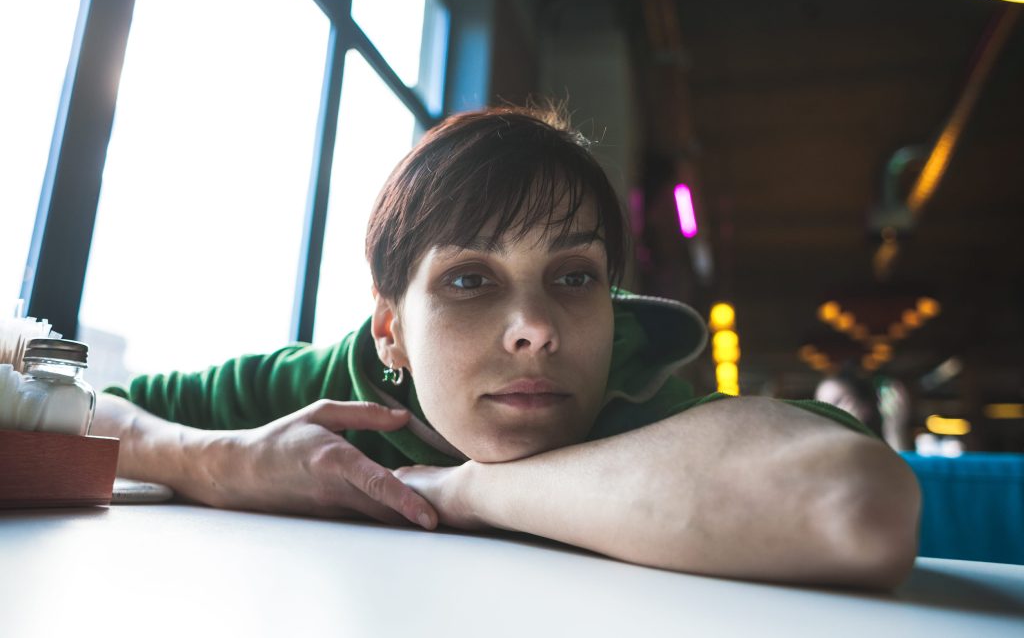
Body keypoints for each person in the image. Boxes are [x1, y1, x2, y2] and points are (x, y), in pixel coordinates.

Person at [94, 105, 921, 590]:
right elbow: (46, 394)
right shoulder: (340, 387)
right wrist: (215, 460)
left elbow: (857, 503)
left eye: (573, 276)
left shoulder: (637, 390)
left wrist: (462, 491)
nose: (537, 326)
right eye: (468, 280)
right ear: (391, 328)